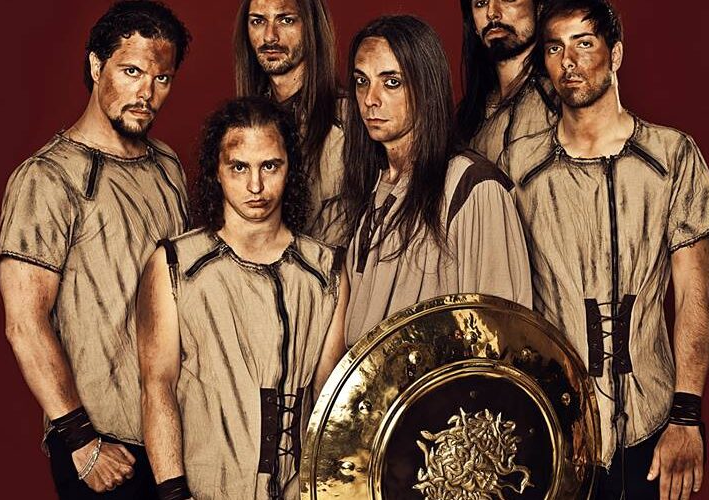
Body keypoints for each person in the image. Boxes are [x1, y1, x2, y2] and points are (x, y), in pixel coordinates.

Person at [500, 1, 709, 498]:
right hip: (556, 428)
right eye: (554, 47)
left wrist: (686, 417)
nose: (568, 61)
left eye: (584, 43)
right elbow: (506, 301)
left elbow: (693, 294)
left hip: (655, 425)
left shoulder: (673, 157)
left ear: (616, 54)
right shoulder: (517, 168)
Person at [0, 1, 191, 498]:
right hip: (102, 448)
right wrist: (81, 442)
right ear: (94, 66)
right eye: (131, 71)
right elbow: (25, 322)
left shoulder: (168, 166)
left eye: (162, 79)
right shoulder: (46, 178)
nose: (146, 93)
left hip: (174, 440)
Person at [137, 97, 348, 500]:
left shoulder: (326, 272)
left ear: (290, 169)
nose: (256, 186)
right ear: (217, 172)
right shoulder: (176, 265)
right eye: (239, 167)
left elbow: (328, 401)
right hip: (204, 489)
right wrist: (173, 494)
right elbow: (157, 386)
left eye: (270, 166)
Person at [340, 15, 532, 346]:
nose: (370, 98)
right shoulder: (372, 188)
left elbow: (500, 338)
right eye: (361, 81)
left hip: (441, 395)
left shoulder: (473, 188)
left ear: (425, 86)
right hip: (373, 392)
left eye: (391, 82)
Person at [233, 0, 347, 246]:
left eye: (286, 20)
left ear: (311, 26)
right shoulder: (241, 124)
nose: (270, 36)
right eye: (258, 21)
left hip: (332, 275)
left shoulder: (351, 119)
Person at [457, 0, 559, 164]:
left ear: (539, 7)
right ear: (474, 25)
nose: (491, 12)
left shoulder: (562, 100)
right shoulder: (467, 118)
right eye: (481, 3)